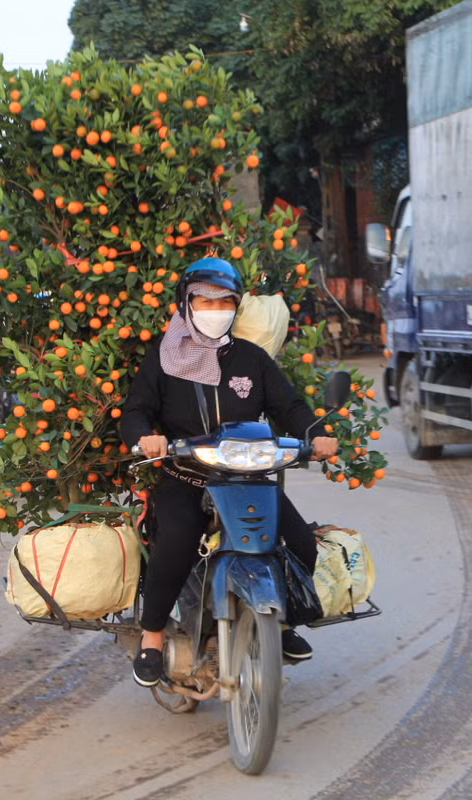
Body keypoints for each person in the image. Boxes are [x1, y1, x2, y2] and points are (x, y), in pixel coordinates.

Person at [118, 257, 338, 687]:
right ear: (186, 303)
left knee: (299, 544)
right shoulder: (164, 358)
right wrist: (145, 437)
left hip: (247, 479)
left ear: (236, 307)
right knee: (174, 544)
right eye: (205, 301)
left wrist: (318, 435)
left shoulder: (252, 359)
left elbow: (289, 406)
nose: (215, 310)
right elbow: (136, 410)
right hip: (187, 476)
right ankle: (153, 636)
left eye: (225, 302)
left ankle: (277, 622)